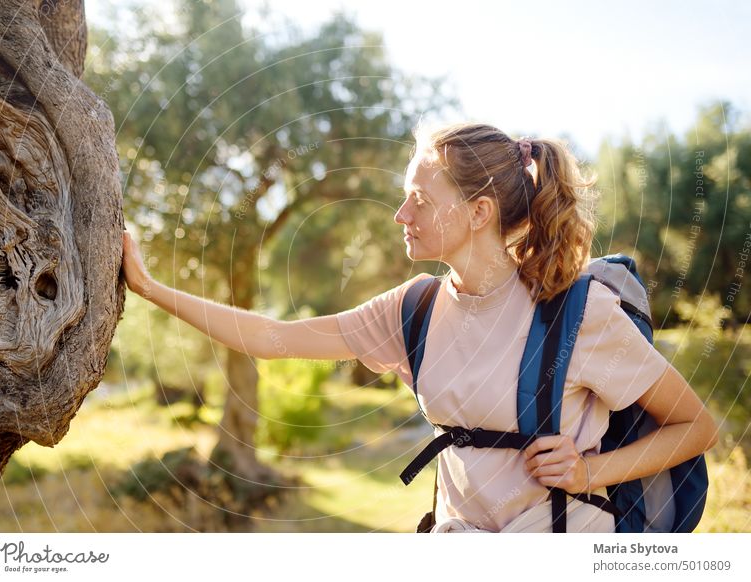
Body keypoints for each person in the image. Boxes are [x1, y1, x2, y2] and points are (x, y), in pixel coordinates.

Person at [121, 122, 719, 533]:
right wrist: (151, 289)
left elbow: (696, 426)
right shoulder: (414, 309)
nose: (402, 216)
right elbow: (272, 339)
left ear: (478, 212)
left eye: (419, 200)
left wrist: (592, 471)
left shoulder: (577, 313)